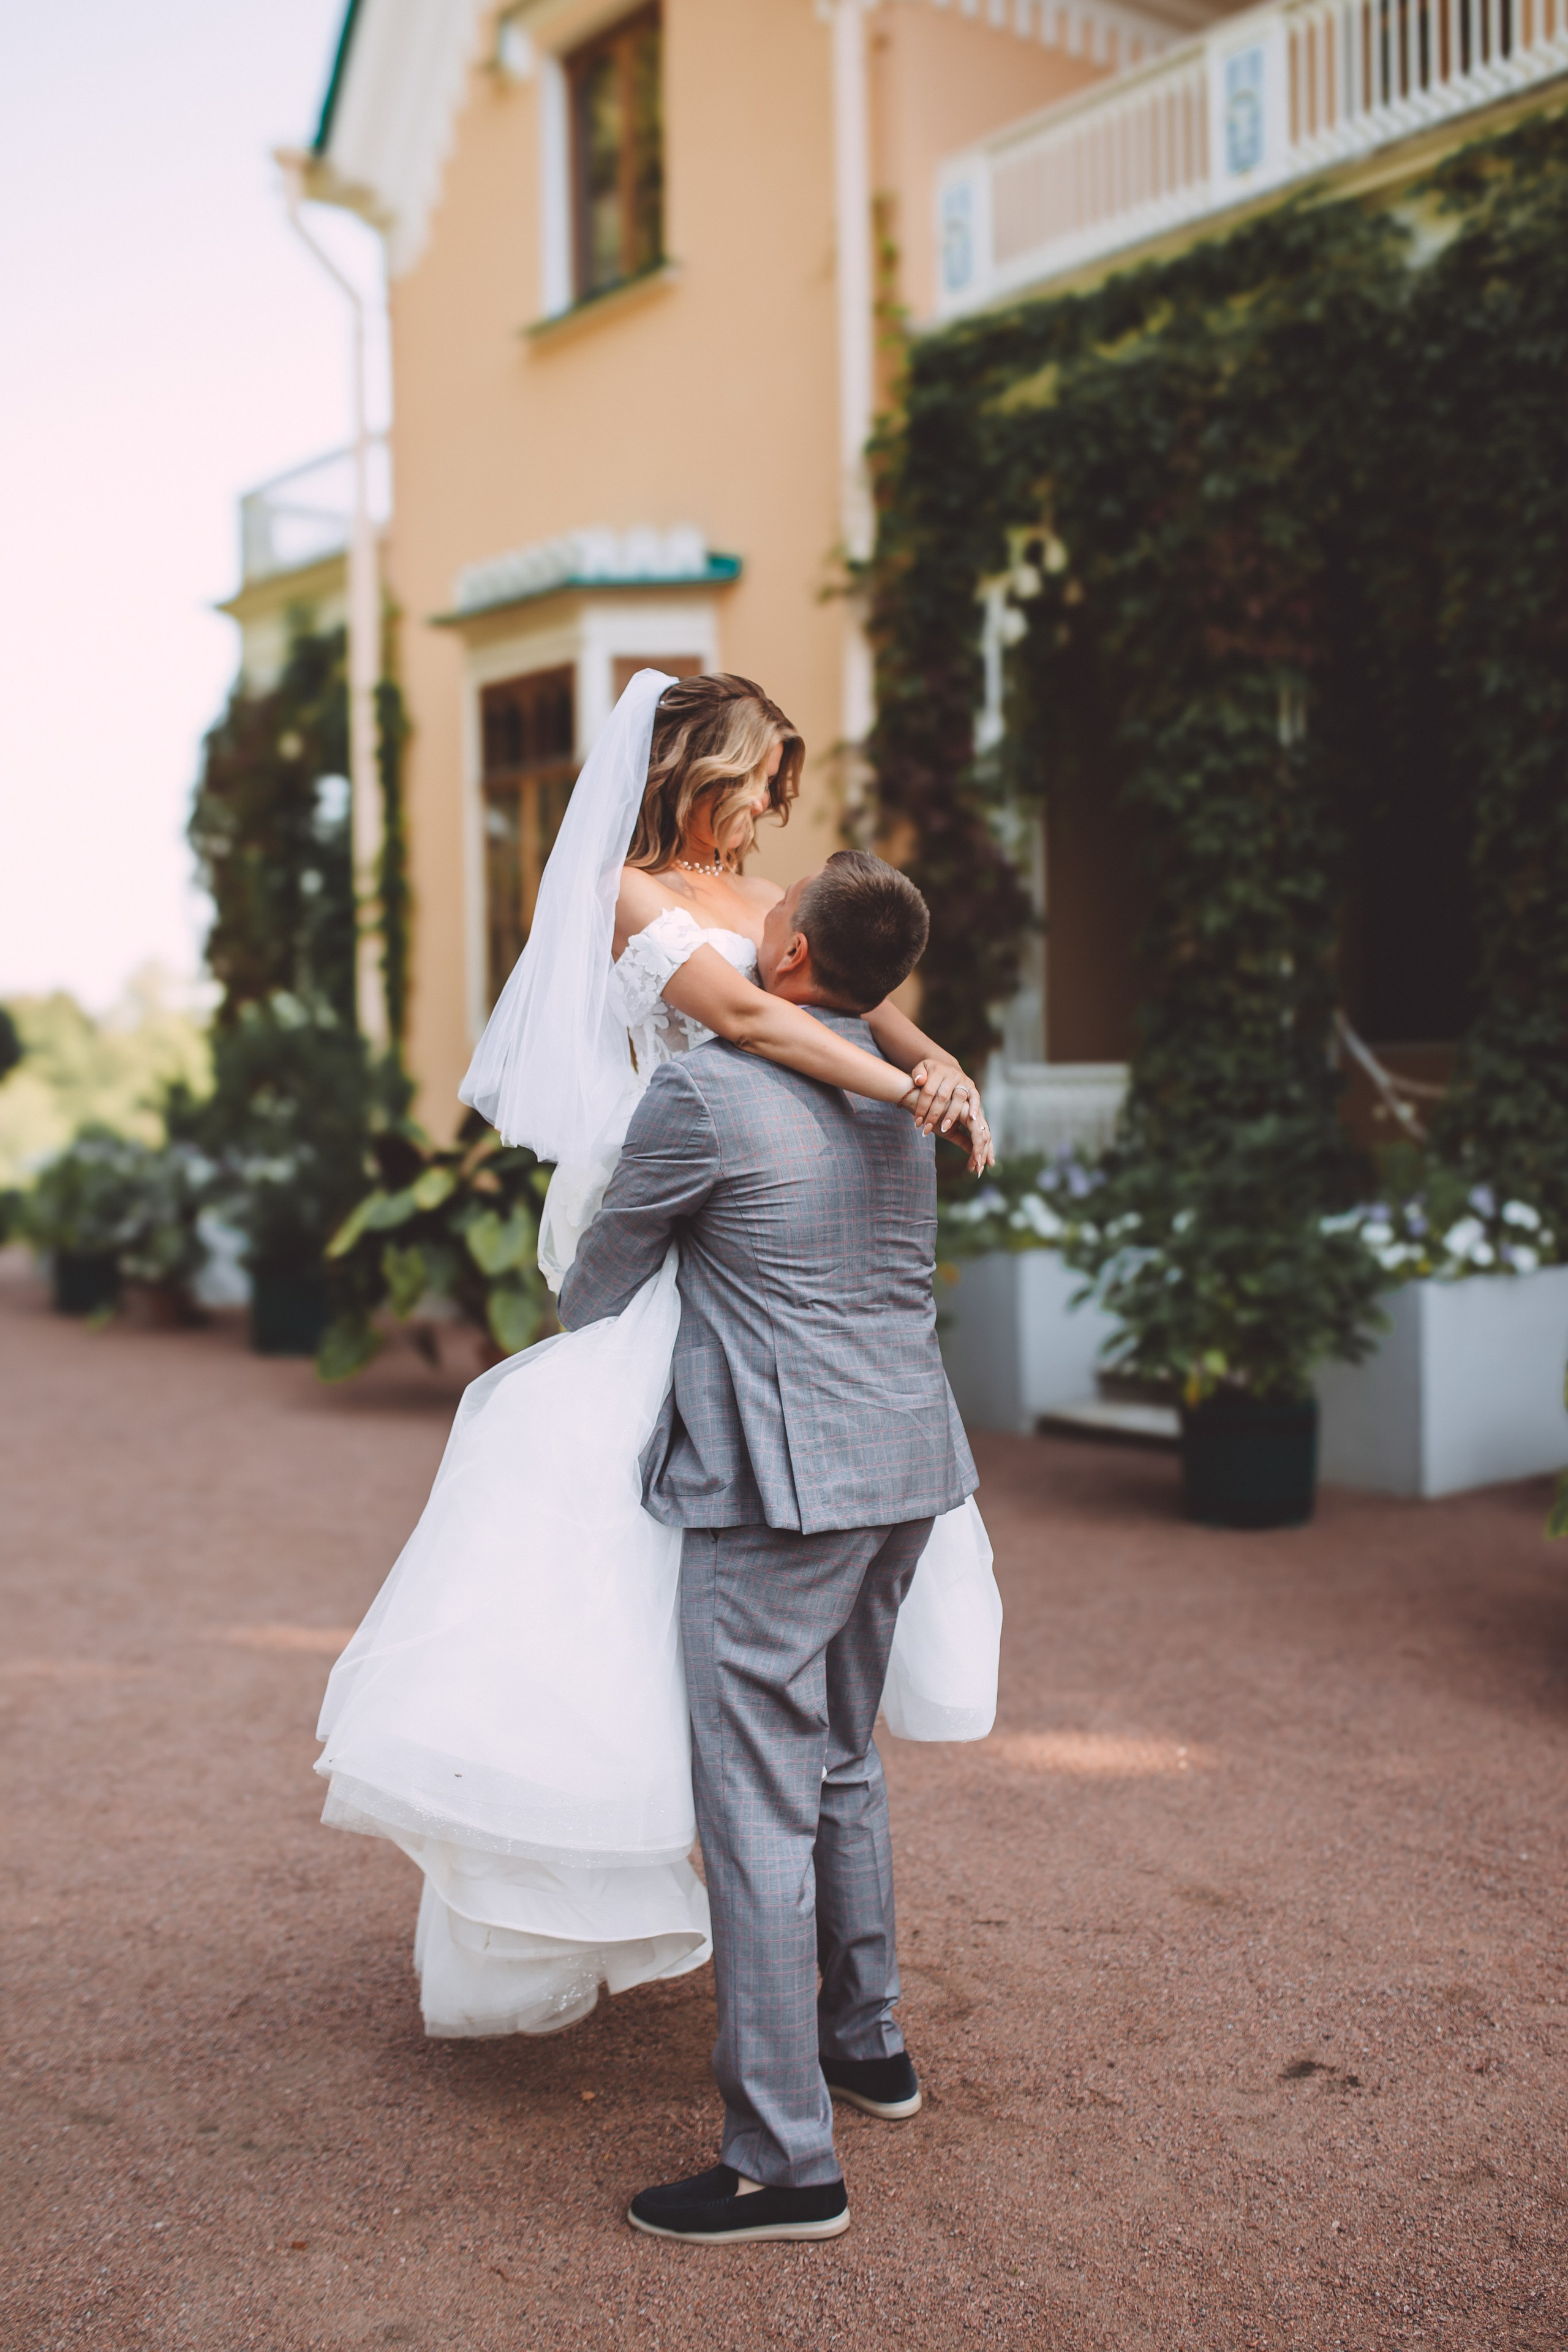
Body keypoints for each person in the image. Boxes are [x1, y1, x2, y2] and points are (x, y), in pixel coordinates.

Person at [314, 670, 1001, 2052]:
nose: (767, 810)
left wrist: (943, 1068)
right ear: (689, 769)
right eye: (753, 780)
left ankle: (836, 2010)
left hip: (772, 1248)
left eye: (777, 789)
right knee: (615, 1562)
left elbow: (869, 1012)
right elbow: (752, 1026)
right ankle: (634, 1850)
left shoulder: (780, 908)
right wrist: (900, 1096)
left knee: (815, 1709)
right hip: (692, 1211)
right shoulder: (624, 896)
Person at [559, 849, 976, 2245]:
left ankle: (781, 2163)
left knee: (750, 1799)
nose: (751, 917)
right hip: (908, 1462)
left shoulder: (706, 1089)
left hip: (777, 1486)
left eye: (769, 911)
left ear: (789, 956)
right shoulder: (905, 1088)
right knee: (842, 1756)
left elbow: (601, 1276)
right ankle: (868, 2047)